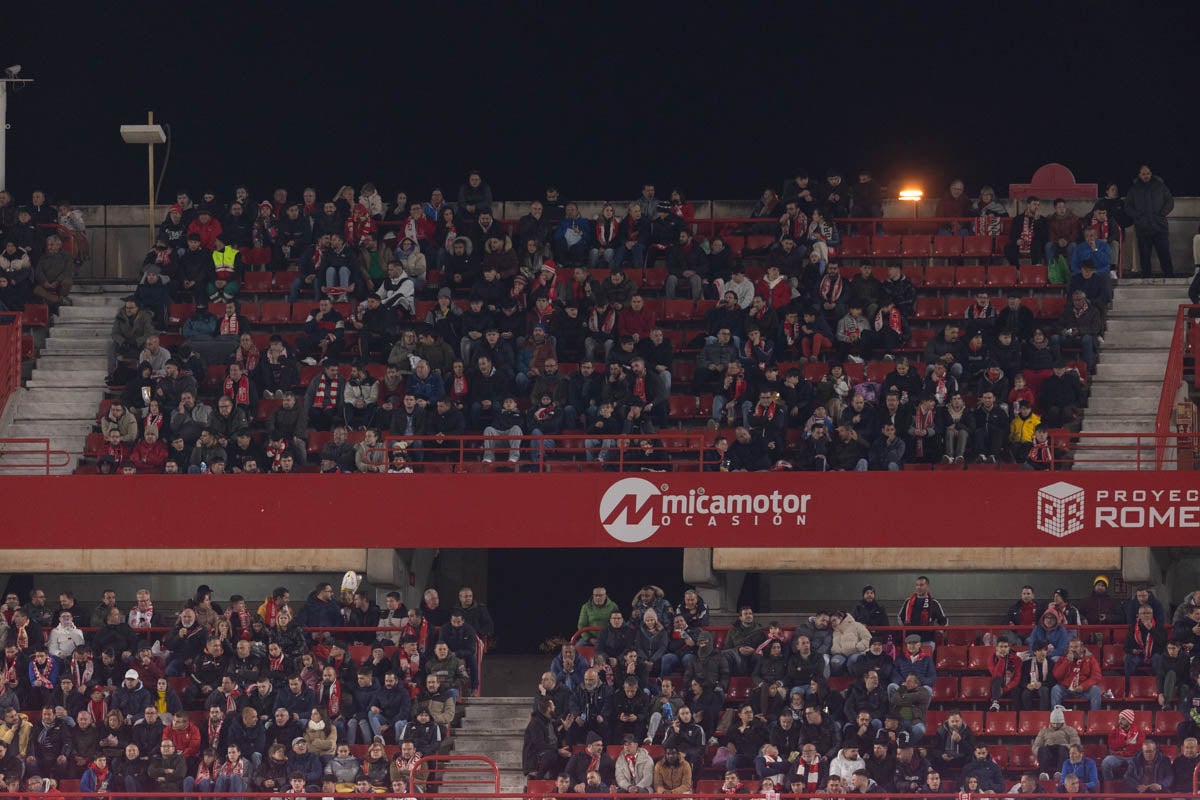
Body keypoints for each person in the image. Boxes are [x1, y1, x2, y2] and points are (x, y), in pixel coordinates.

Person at [1126, 165, 1174, 277]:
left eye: (1147, 173)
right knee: (1144, 256)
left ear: (1151, 174)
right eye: (1143, 174)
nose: (1146, 176)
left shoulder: (1161, 186)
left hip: (1160, 227)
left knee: (1164, 254)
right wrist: (1138, 216)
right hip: (1143, 228)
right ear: (1139, 175)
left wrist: (1161, 214)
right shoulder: (1134, 189)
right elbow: (1128, 206)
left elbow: (1170, 202)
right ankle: (1146, 278)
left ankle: (1169, 277)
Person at [1032, 705, 1081, 775]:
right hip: (1048, 756)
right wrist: (1045, 749)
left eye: (1058, 723)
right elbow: (1035, 747)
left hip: (1063, 755)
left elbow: (1076, 745)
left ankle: (1060, 773)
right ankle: (1043, 773)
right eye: (1053, 723)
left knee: (1063, 749)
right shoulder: (1043, 731)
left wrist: (1063, 746)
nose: (1055, 725)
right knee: (1042, 749)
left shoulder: (1070, 730)